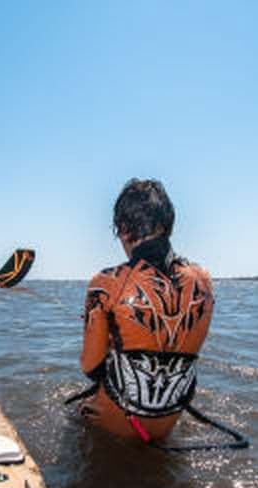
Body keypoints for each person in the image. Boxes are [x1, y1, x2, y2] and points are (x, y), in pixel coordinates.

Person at [76, 178, 215, 442]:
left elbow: (91, 368)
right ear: (168, 225)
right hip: (167, 425)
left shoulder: (104, 284)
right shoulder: (204, 280)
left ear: (124, 228)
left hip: (114, 423)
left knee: (73, 414)